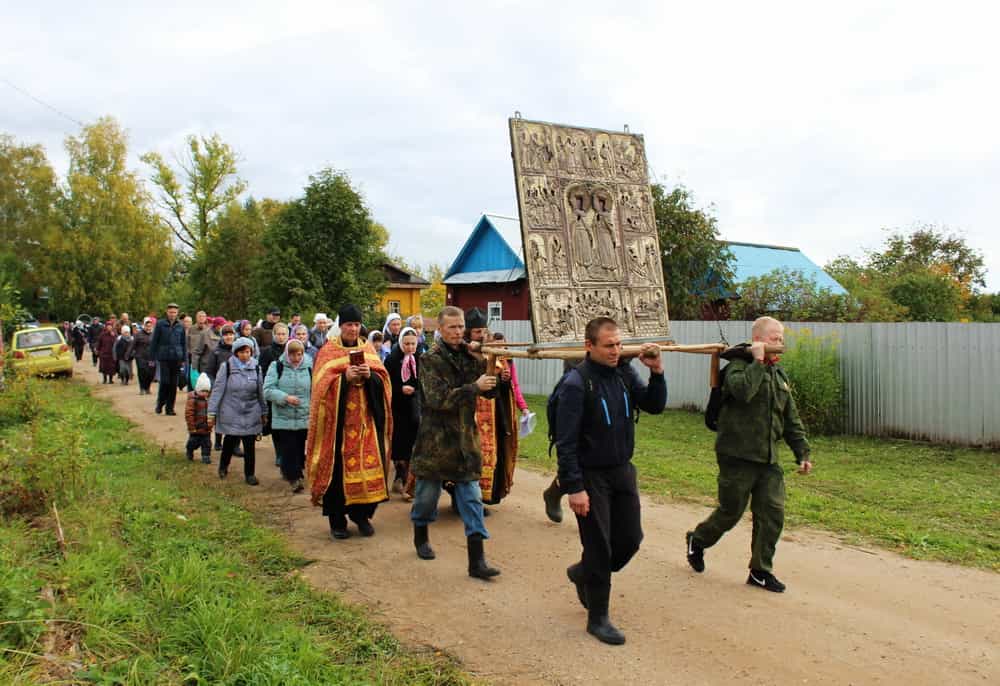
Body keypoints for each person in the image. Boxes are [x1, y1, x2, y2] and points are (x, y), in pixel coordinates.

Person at [554, 316, 666, 645]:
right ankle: (598, 618)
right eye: (609, 346)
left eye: (619, 344)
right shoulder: (576, 384)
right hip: (590, 476)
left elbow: (654, 406)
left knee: (630, 539)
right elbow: (566, 442)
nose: (616, 351)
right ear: (589, 347)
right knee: (599, 546)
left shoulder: (624, 373)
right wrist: (574, 487)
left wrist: (656, 371)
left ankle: (582, 572)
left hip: (621, 470)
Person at [685, 316, 811, 593]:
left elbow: (791, 419)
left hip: (768, 459)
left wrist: (802, 451)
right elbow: (743, 392)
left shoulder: (779, 375)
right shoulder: (738, 368)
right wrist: (757, 361)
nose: (780, 343)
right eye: (774, 338)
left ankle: (760, 571)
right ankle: (698, 540)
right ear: (758, 340)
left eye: (781, 338)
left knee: (772, 514)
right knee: (731, 512)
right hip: (737, 455)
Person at [409, 306, 501, 580]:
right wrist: (475, 387)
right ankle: (421, 536)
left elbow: (489, 391)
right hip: (436, 442)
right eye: (452, 327)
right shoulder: (429, 359)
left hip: (464, 440)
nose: (458, 332)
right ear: (440, 329)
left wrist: (495, 377)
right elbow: (438, 400)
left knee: (472, 500)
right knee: (427, 499)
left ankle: (477, 562)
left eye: (461, 327)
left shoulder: (469, 356)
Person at [306, 304, 391, 540]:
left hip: (366, 424)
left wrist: (369, 376)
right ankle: (337, 520)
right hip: (338, 428)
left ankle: (362, 516)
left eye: (356, 325)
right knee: (338, 472)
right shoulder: (328, 351)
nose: (353, 329)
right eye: (348, 325)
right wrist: (344, 378)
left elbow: (384, 381)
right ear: (340, 326)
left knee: (369, 467)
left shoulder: (369, 350)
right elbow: (320, 388)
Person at [464, 308, 519, 509]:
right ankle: (465, 499)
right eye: (476, 331)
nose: (480, 334)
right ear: (468, 333)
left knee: (493, 453)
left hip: (494, 415)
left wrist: (504, 380)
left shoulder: (492, 353)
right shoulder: (464, 354)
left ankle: (486, 496)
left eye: (483, 330)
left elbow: (501, 385)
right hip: (471, 415)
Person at [208, 336, 267, 485]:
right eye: (242, 352)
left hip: (251, 411)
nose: (245, 355)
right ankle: (223, 466)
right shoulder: (226, 367)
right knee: (229, 441)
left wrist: (264, 411)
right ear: (235, 353)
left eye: (248, 352)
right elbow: (217, 390)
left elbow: (260, 391)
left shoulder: (256, 367)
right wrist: (212, 412)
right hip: (232, 410)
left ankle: (250, 474)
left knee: (249, 444)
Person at [264, 338, 313, 493]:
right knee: (289, 448)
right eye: (292, 355)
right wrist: (285, 397)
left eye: (299, 354)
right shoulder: (277, 366)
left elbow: (315, 390)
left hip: (303, 416)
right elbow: (267, 390)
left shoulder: (310, 367)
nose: (296, 358)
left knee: (299, 449)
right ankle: (294, 479)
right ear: (287, 354)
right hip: (283, 417)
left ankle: (291, 470)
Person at [384, 326, 421, 496]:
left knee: (412, 444)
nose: (410, 347)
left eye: (413, 344)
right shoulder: (392, 360)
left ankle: (408, 480)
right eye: (406, 344)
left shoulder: (420, 358)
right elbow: (387, 383)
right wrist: (400, 389)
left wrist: (415, 389)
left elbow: (424, 381)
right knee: (400, 444)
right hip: (397, 407)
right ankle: (401, 477)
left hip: (414, 406)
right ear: (400, 343)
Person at [259, 323, 290, 466]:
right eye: (279, 334)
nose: (281, 336)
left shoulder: (293, 350)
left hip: (291, 392)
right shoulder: (266, 352)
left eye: (284, 334)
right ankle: (279, 453)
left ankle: (289, 452)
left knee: (290, 424)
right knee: (276, 424)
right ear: (274, 335)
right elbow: (262, 372)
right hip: (274, 392)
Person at [203, 324, 237, 453]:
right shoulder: (216, 352)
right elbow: (209, 372)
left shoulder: (239, 351)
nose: (229, 337)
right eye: (226, 334)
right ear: (222, 336)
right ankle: (218, 440)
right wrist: (215, 385)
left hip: (236, 389)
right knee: (220, 415)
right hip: (220, 388)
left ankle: (234, 445)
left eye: (231, 334)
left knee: (235, 416)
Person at [149, 303, 186, 415]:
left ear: (177, 313)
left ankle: (170, 408)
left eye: (174, 312)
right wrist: (152, 357)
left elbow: (183, 343)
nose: (172, 314)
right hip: (164, 357)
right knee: (165, 382)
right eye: (171, 312)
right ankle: (160, 404)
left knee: (173, 384)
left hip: (177, 357)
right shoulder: (160, 324)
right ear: (167, 312)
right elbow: (154, 341)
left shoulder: (180, 326)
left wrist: (184, 358)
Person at [185, 373, 214, 464]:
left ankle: (206, 456)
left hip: (206, 428)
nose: (204, 393)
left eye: (206, 391)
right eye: (202, 391)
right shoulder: (192, 400)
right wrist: (191, 426)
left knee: (207, 443)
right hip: (196, 427)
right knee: (193, 442)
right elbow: (189, 414)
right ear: (197, 389)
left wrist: (211, 423)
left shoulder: (209, 401)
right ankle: (189, 451)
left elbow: (212, 413)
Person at [133, 317, 156, 395]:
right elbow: (132, 345)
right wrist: (127, 354)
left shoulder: (155, 334)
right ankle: (142, 388)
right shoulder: (138, 334)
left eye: (150, 326)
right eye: (147, 326)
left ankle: (147, 387)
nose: (148, 327)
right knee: (142, 372)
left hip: (151, 357)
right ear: (144, 326)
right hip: (140, 357)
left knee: (151, 373)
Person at [188, 311, 216, 375]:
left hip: (204, 361)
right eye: (200, 316)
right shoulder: (191, 329)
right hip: (192, 359)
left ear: (206, 318)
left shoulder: (209, 330)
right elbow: (187, 343)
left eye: (203, 316)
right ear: (196, 318)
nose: (201, 318)